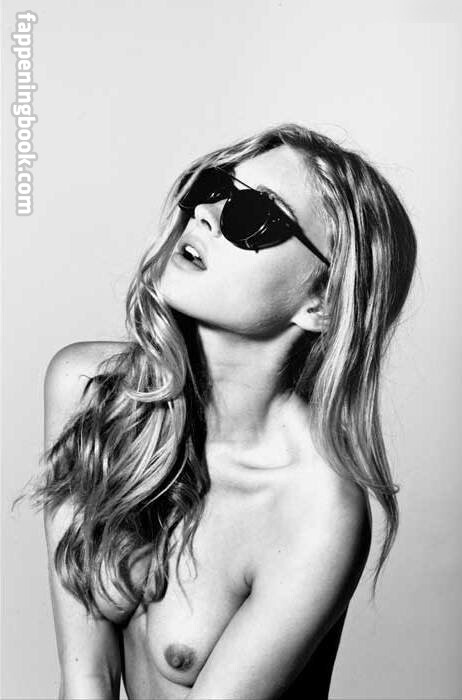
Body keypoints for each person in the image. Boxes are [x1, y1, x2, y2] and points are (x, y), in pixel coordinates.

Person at [34, 123, 417, 700]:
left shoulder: (313, 508)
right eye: (212, 187)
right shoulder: (89, 389)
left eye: (256, 217)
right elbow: (85, 680)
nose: (207, 214)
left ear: (321, 302)